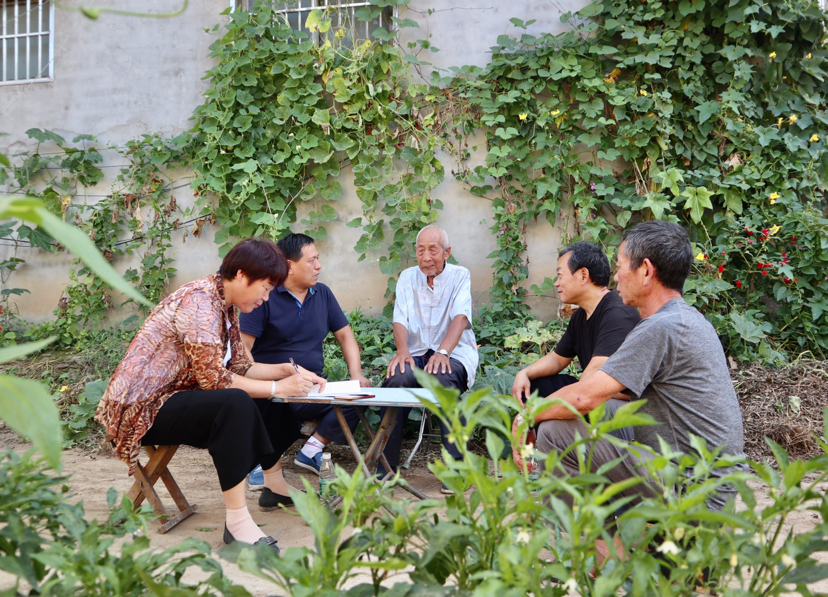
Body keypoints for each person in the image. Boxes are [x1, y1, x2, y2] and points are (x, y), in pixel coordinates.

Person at [95, 237, 326, 552]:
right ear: (242, 275)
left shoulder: (225, 305)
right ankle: (238, 522)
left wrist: (285, 371)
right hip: (142, 408)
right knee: (235, 402)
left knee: (269, 402)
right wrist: (278, 387)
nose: (266, 297)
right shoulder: (199, 302)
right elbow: (214, 380)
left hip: (174, 399)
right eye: (265, 288)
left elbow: (240, 367)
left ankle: (274, 485)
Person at [515, 221, 745, 513]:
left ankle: (584, 537)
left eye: (620, 265)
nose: (615, 276)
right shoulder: (684, 318)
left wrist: (525, 418)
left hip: (693, 489)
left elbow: (583, 396)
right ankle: (611, 521)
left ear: (645, 270)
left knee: (554, 432)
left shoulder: (659, 327)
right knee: (597, 411)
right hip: (709, 480)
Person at [240, 233, 370, 485]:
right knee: (269, 406)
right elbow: (243, 347)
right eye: (311, 261)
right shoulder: (265, 295)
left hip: (312, 389)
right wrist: (265, 379)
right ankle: (262, 462)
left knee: (358, 395)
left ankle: (312, 449)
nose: (318, 266)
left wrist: (357, 375)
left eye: (318, 259)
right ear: (289, 265)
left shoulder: (322, 294)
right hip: (274, 389)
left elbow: (345, 336)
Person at [380, 224, 479, 493]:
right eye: (420, 250)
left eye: (433, 250)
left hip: (453, 353)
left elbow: (461, 317)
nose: (426, 257)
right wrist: (402, 352)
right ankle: (386, 465)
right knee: (397, 378)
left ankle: (456, 469)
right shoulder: (407, 277)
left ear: (447, 252)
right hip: (415, 354)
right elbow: (400, 318)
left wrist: (443, 351)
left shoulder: (460, 275)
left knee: (443, 379)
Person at [511, 241, 640, 441]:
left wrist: (536, 412)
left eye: (560, 275)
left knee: (570, 403)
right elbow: (557, 359)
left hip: (624, 410)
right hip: (597, 396)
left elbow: (589, 386)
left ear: (583, 275)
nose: (556, 283)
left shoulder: (617, 314)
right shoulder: (581, 316)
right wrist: (524, 373)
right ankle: (533, 449)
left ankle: (563, 445)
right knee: (534, 387)